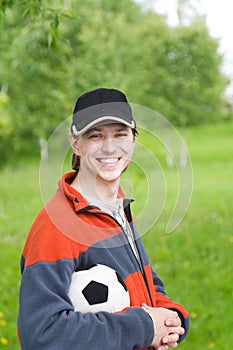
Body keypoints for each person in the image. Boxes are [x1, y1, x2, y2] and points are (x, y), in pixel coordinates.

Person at [17, 87, 189, 350]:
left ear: (133, 139)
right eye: (96, 136)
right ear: (75, 143)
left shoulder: (117, 207)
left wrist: (170, 317)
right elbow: (41, 334)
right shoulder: (56, 226)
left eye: (120, 134)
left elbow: (143, 280)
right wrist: (144, 327)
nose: (110, 147)